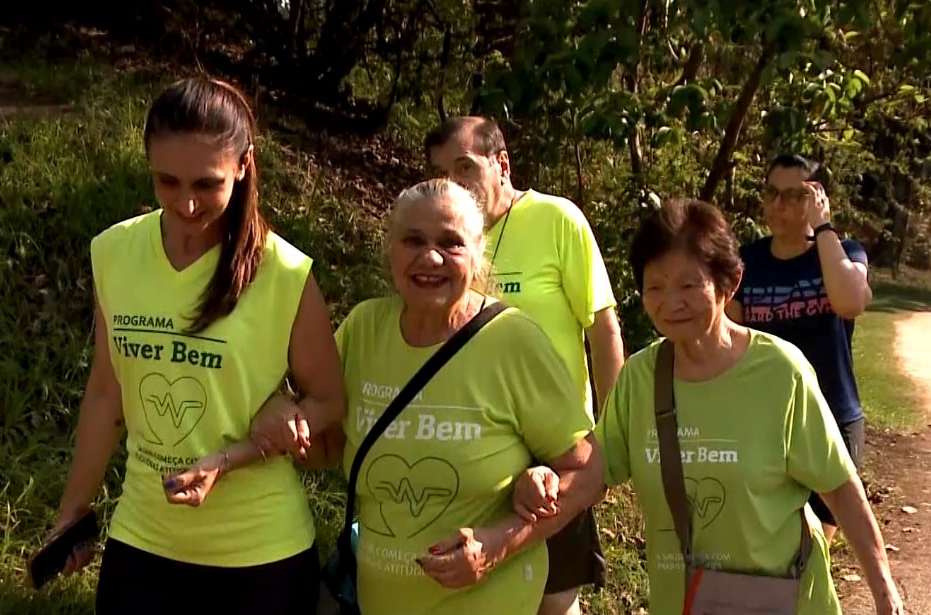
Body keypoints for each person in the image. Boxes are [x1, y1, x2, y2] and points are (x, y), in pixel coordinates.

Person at [43, 77, 345, 615]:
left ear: (244, 166)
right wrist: (73, 511)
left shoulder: (284, 273)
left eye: (207, 184)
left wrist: (253, 443)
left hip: (260, 557)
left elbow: (328, 401)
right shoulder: (114, 252)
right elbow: (107, 396)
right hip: (142, 540)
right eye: (167, 181)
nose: (186, 203)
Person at [516, 199, 903, 615]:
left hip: (785, 603)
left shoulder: (779, 372)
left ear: (729, 282)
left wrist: (885, 594)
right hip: (685, 603)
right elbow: (594, 473)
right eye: (655, 287)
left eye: (688, 285)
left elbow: (840, 489)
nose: (670, 302)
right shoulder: (641, 378)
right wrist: (543, 485)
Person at [254, 178, 605, 615]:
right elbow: (328, 447)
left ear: (478, 254)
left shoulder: (512, 340)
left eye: (451, 243)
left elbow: (588, 471)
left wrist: (497, 544)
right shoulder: (364, 330)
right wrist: (278, 412)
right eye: (413, 240)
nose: (430, 257)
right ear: (390, 250)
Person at [424, 115, 624, 615]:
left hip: (555, 456)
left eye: (464, 168)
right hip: (472, 453)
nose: (454, 186)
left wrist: (615, 435)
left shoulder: (558, 220)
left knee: (554, 601)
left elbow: (603, 329)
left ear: (502, 164)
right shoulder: (443, 243)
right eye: (440, 173)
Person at [726, 154, 873, 544]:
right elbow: (730, 339)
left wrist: (823, 227)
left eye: (793, 196)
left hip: (833, 416)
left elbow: (849, 302)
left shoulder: (844, 252)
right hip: (767, 422)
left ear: (817, 199)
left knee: (813, 545)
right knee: (776, 542)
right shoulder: (747, 262)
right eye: (772, 193)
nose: (777, 205)